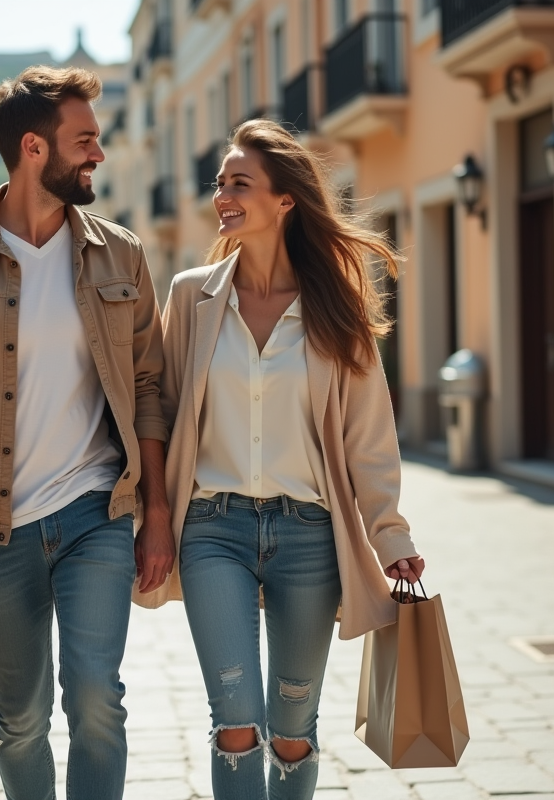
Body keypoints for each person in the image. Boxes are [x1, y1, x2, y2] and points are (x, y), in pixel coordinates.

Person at [0, 66, 171, 800]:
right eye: (85, 141)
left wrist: (159, 513)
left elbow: (148, 388)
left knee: (95, 699)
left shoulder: (122, 256)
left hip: (95, 513)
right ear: (34, 150)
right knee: (19, 717)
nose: (99, 155)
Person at [154, 119, 426, 799]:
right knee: (237, 721)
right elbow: (155, 407)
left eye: (239, 182)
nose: (223, 194)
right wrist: (152, 515)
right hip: (211, 530)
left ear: (285, 201)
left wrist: (390, 534)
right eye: (221, 183)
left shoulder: (336, 306)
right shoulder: (191, 296)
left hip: (310, 538)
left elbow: (369, 435)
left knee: (292, 728)